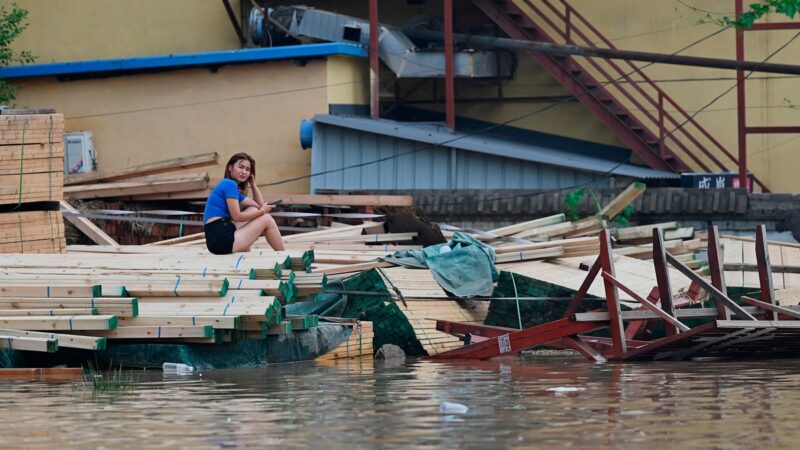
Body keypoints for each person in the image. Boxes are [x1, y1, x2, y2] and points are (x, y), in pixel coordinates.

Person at [203, 152, 285, 254]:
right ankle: (284, 255)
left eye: (247, 169)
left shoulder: (233, 188)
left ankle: (244, 249)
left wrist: (253, 184)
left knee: (254, 210)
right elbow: (237, 216)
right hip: (220, 238)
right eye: (241, 167)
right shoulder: (229, 184)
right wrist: (262, 212)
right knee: (266, 219)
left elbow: (258, 205)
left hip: (218, 237)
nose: (244, 172)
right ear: (230, 167)